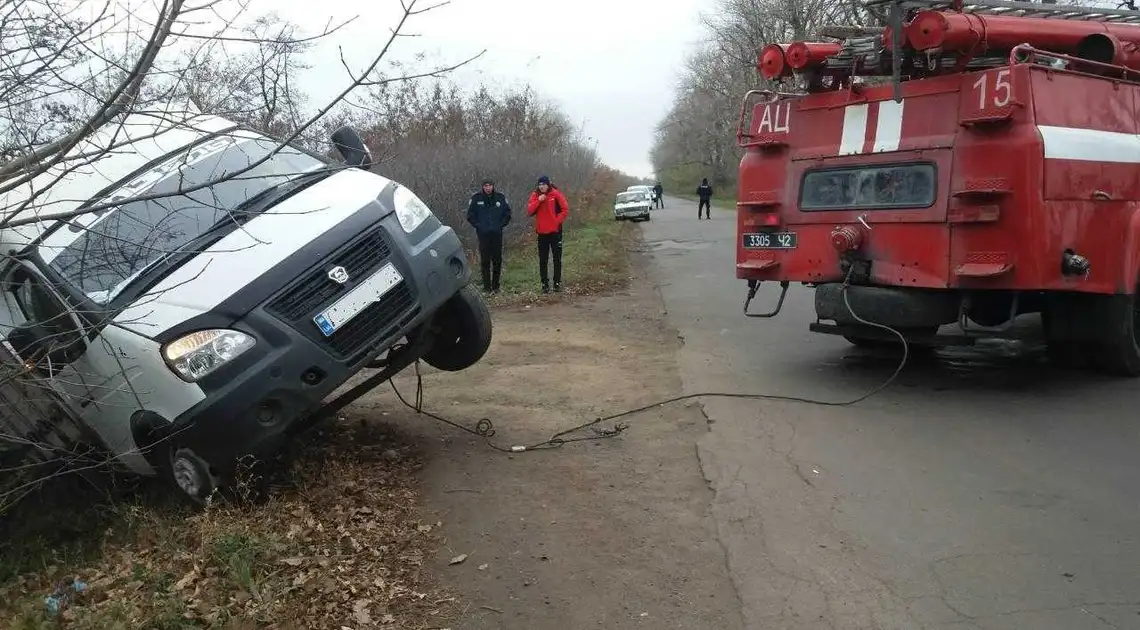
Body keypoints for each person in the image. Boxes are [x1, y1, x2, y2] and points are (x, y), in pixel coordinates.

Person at [525, 175, 570, 294]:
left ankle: (557, 283)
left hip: (555, 232)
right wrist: (539, 201)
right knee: (543, 260)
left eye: (543, 184)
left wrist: (556, 221)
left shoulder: (555, 194)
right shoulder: (535, 195)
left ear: (548, 185)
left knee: (557, 259)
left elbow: (565, 209)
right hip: (542, 233)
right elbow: (529, 211)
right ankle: (544, 284)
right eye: (539, 185)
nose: (541, 186)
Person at [466, 177, 511, 294]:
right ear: (483, 187)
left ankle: (496, 286)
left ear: (493, 186)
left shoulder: (500, 198)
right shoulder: (476, 199)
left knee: (497, 260)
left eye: (489, 185)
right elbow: (470, 215)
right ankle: (487, 287)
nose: (488, 188)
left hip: (497, 234)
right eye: (485, 186)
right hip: (483, 235)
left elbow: (507, 214)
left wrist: (500, 225)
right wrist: (478, 226)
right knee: (485, 261)